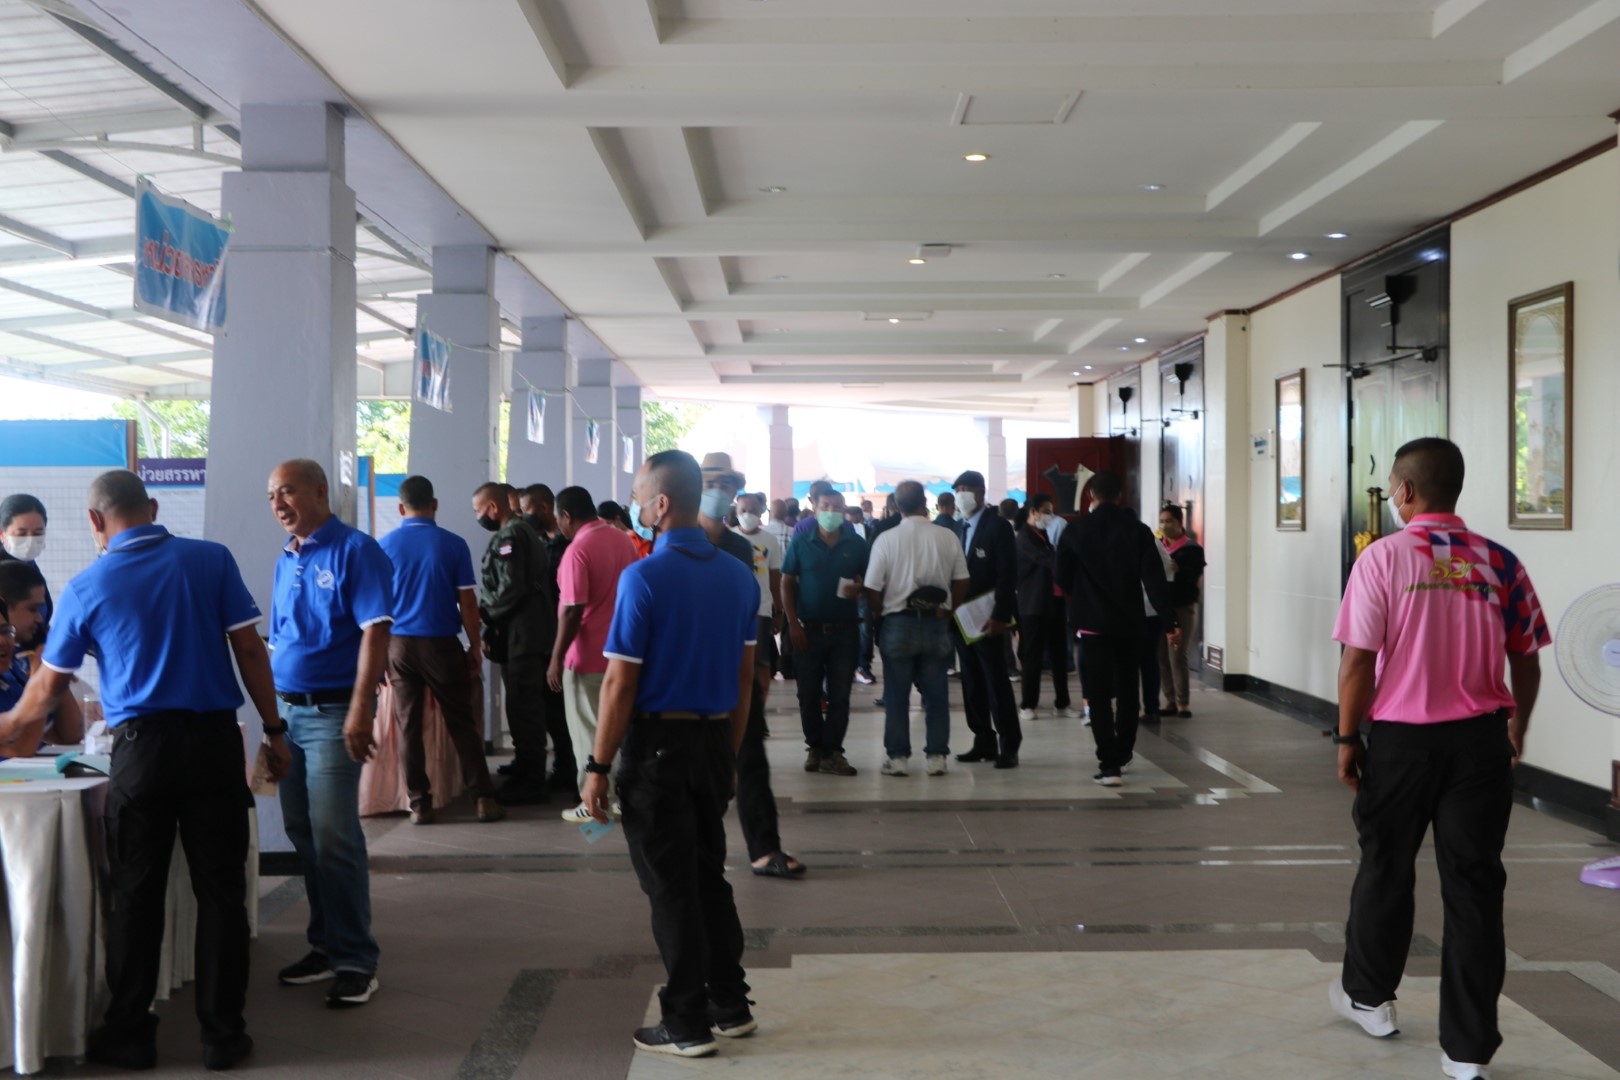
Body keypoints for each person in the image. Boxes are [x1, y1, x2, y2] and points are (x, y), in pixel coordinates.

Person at [0, 470, 281, 1069]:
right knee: (221, 892)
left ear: (94, 521)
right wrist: (274, 730)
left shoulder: (86, 586)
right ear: (151, 508)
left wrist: (9, 728)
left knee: (135, 894)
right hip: (213, 743)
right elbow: (250, 650)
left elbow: (45, 691)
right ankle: (223, 1036)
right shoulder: (212, 560)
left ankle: (130, 1034)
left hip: (140, 750)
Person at [1328, 438, 1547, 1080]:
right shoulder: (1500, 561)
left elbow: (1358, 661)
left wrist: (1347, 739)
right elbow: (1527, 657)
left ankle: (1370, 998)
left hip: (1402, 744)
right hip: (1480, 745)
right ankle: (1467, 1050)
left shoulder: (1383, 558)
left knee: (1386, 867)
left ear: (1403, 491)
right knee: (1475, 888)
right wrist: (1516, 729)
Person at [578, 451, 760, 1058]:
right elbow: (745, 680)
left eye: (638, 494)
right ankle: (729, 1003)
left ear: (660, 504)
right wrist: (729, 755)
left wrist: (597, 767)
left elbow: (619, 682)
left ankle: (685, 1021)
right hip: (713, 743)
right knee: (708, 875)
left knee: (670, 887)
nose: (634, 503)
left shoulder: (645, 577)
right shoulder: (739, 577)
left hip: (656, 749)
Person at [268, 458, 393, 1008]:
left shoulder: (356, 550)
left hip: (333, 714)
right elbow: (280, 637)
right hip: (289, 715)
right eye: (272, 497)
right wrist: (272, 722)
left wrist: (361, 709)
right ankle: (325, 945)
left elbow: (375, 632)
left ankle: (356, 960)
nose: (279, 504)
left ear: (320, 492)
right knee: (303, 832)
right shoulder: (287, 557)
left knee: (335, 835)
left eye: (288, 492)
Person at [376, 475, 503, 826]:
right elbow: (468, 602)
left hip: (398, 646)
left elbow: (377, 606)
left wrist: (380, 655)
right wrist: (474, 645)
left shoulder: (383, 546)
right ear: (434, 505)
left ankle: (420, 804)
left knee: (408, 725)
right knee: (462, 723)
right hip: (441, 645)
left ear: (400, 508)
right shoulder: (453, 544)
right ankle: (483, 799)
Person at [707, 470, 804, 877]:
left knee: (749, 758)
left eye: (726, 485)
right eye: (710, 483)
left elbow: (752, 604)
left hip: (734, 665)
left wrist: (760, 665)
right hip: (685, 675)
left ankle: (764, 848)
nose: (718, 492)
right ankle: (695, 850)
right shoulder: (667, 543)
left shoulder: (738, 546)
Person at [1055, 470, 1170, 786]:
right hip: (1130, 623)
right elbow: (1154, 579)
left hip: (1092, 624)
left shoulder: (1076, 530)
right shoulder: (1138, 531)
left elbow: (1061, 576)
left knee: (1099, 693)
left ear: (1090, 495)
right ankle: (1123, 751)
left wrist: (1082, 594)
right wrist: (1169, 620)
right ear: (1120, 496)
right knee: (1129, 690)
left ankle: (1109, 765)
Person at [864, 481, 969, 776]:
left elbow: (872, 588)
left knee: (896, 695)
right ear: (925, 503)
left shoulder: (886, 539)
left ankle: (898, 758)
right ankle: (937, 757)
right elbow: (963, 580)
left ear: (896, 506)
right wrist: (949, 611)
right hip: (936, 623)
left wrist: (881, 612)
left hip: (898, 623)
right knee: (936, 694)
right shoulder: (946, 536)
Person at [550, 486, 639, 823]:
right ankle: (620, 798)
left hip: (585, 658)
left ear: (566, 516)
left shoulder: (578, 550)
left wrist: (556, 657)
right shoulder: (623, 540)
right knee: (619, 729)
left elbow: (573, 610)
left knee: (588, 732)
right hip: (621, 655)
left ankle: (594, 802)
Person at [473, 481, 558, 805]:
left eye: (479, 510)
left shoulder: (510, 536)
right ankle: (525, 769)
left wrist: (483, 614)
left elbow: (510, 587)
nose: (478, 516)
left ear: (493, 507)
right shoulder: (521, 532)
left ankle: (532, 781)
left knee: (525, 709)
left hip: (523, 635)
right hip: (521, 634)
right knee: (521, 707)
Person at [781, 488, 868, 778]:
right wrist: (793, 624)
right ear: (815, 509)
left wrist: (860, 588)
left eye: (837, 506)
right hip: (809, 630)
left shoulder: (856, 543)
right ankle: (815, 747)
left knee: (840, 695)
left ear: (843, 509)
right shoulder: (801, 542)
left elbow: (868, 579)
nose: (831, 511)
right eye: (825, 506)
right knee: (808, 694)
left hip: (845, 631)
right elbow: (786, 583)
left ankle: (833, 752)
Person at [950, 470, 1022, 769]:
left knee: (996, 682)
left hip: (988, 618)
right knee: (971, 681)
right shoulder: (958, 527)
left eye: (966, 489)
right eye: (958, 489)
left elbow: (1008, 575)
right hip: (961, 618)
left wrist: (1000, 616)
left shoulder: (998, 526)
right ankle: (983, 739)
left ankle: (1009, 745)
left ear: (980, 492)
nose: (961, 495)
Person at [518, 482, 578, 795]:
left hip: (567, 641)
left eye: (526, 509)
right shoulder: (541, 544)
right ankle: (564, 766)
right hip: (546, 639)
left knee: (567, 711)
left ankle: (573, 769)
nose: (523, 517)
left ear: (544, 508)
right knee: (551, 710)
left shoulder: (570, 546)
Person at [0, 561, 83, 744]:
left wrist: (54, 668)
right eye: (32, 609)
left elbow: (71, 734)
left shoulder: (14, 670)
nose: (40, 618)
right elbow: (24, 745)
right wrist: (43, 671)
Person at [1015, 494, 1075, 722]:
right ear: (1033, 512)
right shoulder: (1024, 537)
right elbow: (1048, 560)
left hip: (1054, 602)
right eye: (1047, 511)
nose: (1050, 516)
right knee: (1033, 656)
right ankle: (1028, 704)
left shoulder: (1043, 535)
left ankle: (1062, 703)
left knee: (1060, 655)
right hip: (1034, 605)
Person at [1157, 505, 1205, 718]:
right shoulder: (1158, 545)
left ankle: (1182, 702)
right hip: (1160, 607)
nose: (1164, 525)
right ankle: (1169, 700)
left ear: (1179, 522)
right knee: (1161, 656)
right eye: (1162, 521)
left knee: (1177, 654)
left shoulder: (1192, 548)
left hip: (1182, 606)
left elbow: (1195, 574)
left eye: (1169, 521)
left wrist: (1180, 569)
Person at [0, 493, 51, 629]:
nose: (30, 541)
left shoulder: (29, 566)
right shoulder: (3, 573)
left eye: (38, 533)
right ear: (2, 534)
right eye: (21, 534)